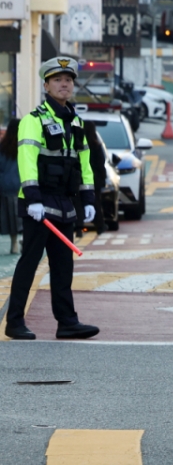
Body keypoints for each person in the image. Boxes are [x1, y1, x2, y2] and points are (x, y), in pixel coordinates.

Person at [4, 58, 100, 341]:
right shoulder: (34, 121)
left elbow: (85, 164)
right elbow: (27, 159)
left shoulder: (77, 123)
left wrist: (89, 199)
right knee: (29, 263)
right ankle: (14, 322)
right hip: (38, 205)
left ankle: (67, 322)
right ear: (46, 86)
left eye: (68, 79)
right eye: (57, 79)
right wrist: (32, 198)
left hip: (64, 204)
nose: (64, 84)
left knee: (63, 266)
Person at [0, 123, 20, 254]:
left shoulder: (2, 147)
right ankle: (18, 242)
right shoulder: (23, 146)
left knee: (6, 216)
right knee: (18, 217)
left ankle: (14, 243)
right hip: (20, 186)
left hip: (4, 186)